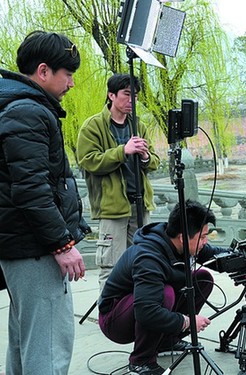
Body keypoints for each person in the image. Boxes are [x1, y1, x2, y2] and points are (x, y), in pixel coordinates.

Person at [0, 31, 90, 374]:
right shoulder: (27, 112)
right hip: (34, 246)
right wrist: (63, 243)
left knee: (26, 340)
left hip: (21, 245)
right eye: (67, 75)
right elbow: (31, 188)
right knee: (49, 345)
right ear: (43, 71)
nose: (70, 84)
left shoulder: (15, 105)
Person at [97, 200, 228, 374]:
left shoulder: (184, 243)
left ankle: (167, 341)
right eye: (202, 237)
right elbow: (147, 312)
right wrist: (187, 321)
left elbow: (221, 257)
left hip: (141, 307)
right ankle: (141, 361)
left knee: (203, 278)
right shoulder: (148, 257)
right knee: (165, 294)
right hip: (114, 319)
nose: (205, 242)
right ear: (183, 237)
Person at [77, 73, 160, 291]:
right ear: (111, 95)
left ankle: (135, 310)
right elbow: (88, 161)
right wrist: (122, 151)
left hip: (140, 204)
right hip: (112, 207)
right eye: (126, 94)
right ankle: (110, 314)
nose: (132, 100)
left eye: (135, 96)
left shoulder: (137, 125)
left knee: (143, 262)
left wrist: (145, 157)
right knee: (111, 265)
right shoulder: (93, 126)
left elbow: (154, 161)